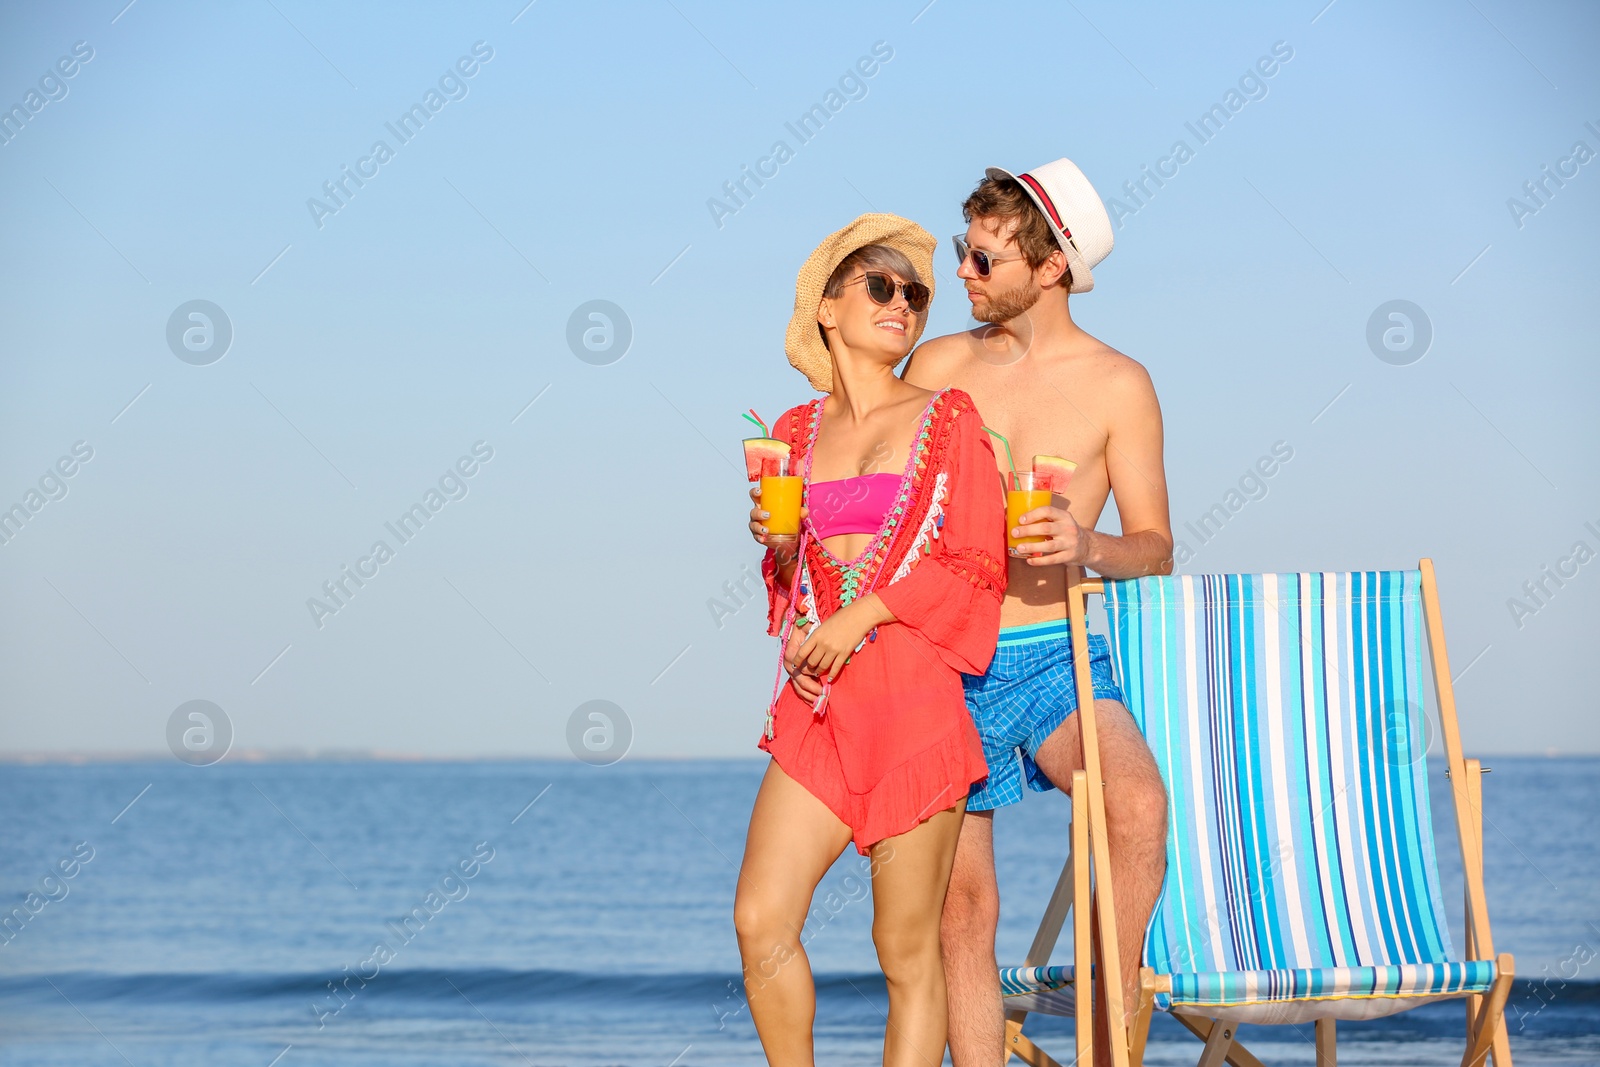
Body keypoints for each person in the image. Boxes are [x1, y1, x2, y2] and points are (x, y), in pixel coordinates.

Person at [901, 160, 1173, 1066]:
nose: (963, 276)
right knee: (963, 909)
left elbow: (1156, 546)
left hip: (1056, 650)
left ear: (1050, 268)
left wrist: (1086, 544)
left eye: (985, 260)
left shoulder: (1118, 383)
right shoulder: (937, 368)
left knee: (1134, 802)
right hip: (945, 657)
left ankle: (1108, 1035)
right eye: (963, 253)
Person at [735, 213, 1008, 1067]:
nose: (904, 304)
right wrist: (777, 549)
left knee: (905, 950)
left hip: (913, 705)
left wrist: (864, 614)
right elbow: (797, 581)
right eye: (881, 285)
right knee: (760, 919)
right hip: (819, 710)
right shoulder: (793, 431)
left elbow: (975, 563)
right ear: (827, 307)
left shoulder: (947, 418)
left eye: (917, 294)